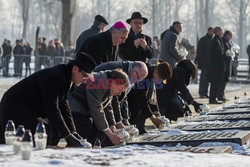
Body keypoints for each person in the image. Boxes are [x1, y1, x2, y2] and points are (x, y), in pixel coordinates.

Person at [0, 52, 96, 147]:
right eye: (85, 76)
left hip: (29, 108)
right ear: (75, 69)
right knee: (47, 133)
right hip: (15, 106)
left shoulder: (70, 79)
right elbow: (52, 108)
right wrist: (68, 136)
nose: (85, 81)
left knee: (54, 133)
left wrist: (73, 132)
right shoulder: (56, 76)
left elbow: (63, 105)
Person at [69, 69, 130, 146]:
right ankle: (75, 147)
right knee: (85, 123)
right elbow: (96, 109)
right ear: (114, 83)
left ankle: (93, 147)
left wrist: (112, 125)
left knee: (101, 127)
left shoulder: (109, 85)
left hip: (85, 104)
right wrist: (111, 135)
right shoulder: (100, 82)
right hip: (74, 101)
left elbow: (107, 107)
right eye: (119, 90)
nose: (119, 94)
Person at [94, 61, 148, 128]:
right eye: (138, 78)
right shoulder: (120, 72)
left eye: (140, 80)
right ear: (134, 70)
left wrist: (125, 118)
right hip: (92, 94)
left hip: (103, 99)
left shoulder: (129, 74)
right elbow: (114, 99)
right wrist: (118, 121)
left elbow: (123, 98)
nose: (137, 81)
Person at [128, 60, 173, 134]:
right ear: (157, 72)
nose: (159, 82)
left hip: (137, 105)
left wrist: (156, 112)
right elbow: (142, 98)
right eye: (160, 79)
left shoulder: (152, 75)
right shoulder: (145, 74)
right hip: (131, 102)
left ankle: (140, 128)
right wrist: (152, 118)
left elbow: (152, 96)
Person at [208, 26, 227, 104]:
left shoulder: (218, 40)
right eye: (221, 31)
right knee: (215, 83)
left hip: (218, 66)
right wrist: (225, 55)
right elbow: (217, 54)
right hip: (216, 67)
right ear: (218, 32)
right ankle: (212, 99)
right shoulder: (215, 41)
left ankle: (214, 98)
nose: (222, 33)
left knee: (216, 83)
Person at [195, 27, 214, 98]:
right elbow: (199, 51)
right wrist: (199, 61)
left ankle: (205, 92)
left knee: (208, 78)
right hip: (204, 62)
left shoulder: (213, 40)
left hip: (211, 62)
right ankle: (201, 92)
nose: (213, 33)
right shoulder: (203, 40)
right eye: (212, 31)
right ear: (209, 31)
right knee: (203, 78)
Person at [218, 30, 233, 101]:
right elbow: (224, 51)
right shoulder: (223, 40)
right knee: (223, 80)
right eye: (230, 35)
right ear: (227, 35)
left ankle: (222, 94)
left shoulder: (227, 41)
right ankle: (220, 95)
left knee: (225, 79)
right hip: (224, 63)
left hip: (227, 63)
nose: (231, 37)